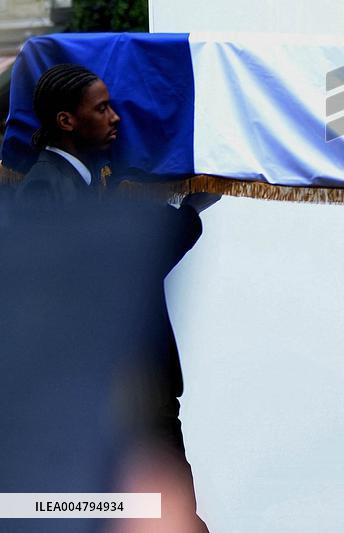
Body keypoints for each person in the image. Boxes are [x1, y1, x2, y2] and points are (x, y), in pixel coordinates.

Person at [4, 63, 218, 530]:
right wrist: (186, 215)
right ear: (66, 120)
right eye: (101, 108)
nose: (116, 118)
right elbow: (93, 281)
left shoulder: (86, 182)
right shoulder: (46, 187)